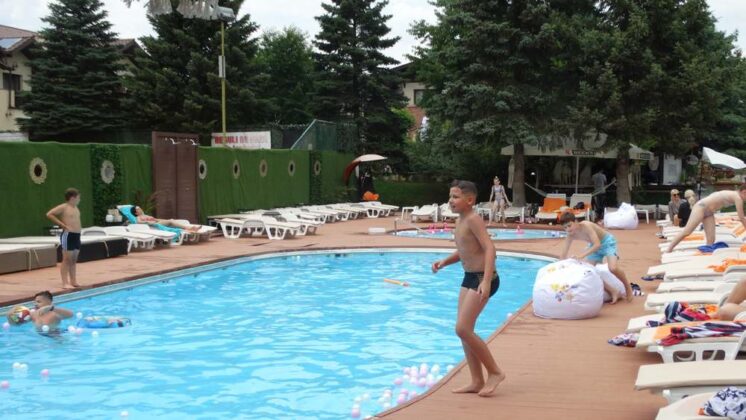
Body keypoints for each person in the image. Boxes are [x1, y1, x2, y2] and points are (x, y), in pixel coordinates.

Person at [431, 180, 505, 397]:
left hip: (483, 278)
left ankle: (495, 372)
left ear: (470, 200)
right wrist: (445, 261)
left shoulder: (473, 219)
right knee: (464, 331)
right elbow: (465, 250)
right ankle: (476, 380)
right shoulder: (460, 220)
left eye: (455, 197)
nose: (450, 201)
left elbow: (490, 248)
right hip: (470, 276)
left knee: (462, 329)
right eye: (450, 196)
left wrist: (487, 280)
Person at [558, 211, 633, 303]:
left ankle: (628, 287)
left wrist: (581, 256)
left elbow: (597, 244)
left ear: (576, 221)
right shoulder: (570, 235)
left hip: (607, 243)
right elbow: (563, 255)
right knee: (590, 272)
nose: (568, 229)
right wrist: (559, 268)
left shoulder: (586, 226)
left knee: (613, 268)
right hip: (593, 246)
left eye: (569, 225)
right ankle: (613, 291)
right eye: (565, 227)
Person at [665, 185, 746, 253]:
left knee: (711, 239)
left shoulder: (734, 195)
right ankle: (669, 249)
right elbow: (741, 217)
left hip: (709, 213)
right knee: (687, 231)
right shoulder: (737, 197)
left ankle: (707, 254)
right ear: (744, 192)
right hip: (701, 207)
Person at [46, 188, 82, 289]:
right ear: (72, 198)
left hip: (77, 235)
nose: (79, 200)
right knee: (66, 259)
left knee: (73, 260)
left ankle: (73, 281)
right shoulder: (64, 207)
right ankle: (65, 283)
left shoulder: (76, 208)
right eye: (78, 197)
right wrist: (62, 225)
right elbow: (49, 214)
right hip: (68, 235)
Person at [132, 206, 201, 232]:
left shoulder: (146, 215)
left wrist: (166, 220)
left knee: (171, 222)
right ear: (136, 213)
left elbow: (157, 219)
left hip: (157, 223)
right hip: (154, 226)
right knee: (170, 222)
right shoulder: (138, 217)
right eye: (138, 209)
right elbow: (138, 222)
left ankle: (189, 229)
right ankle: (190, 228)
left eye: (140, 208)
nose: (140, 209)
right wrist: (147, 222)